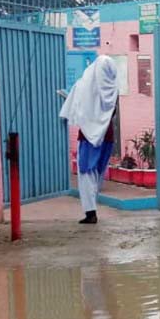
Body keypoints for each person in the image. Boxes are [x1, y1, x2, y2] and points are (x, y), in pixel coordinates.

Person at [59, 56, 120, 224]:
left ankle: (90, 211)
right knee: (98, 173)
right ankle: (92, 208)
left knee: (86, 172)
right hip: (106, 135)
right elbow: (111, 111)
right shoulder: (113, 89)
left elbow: (77, 106)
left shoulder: (84, 85)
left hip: (87, 136)